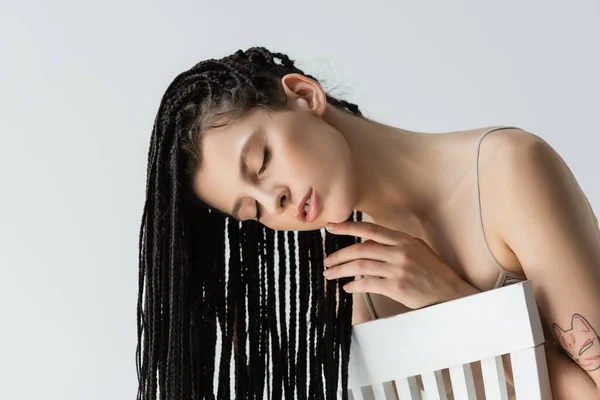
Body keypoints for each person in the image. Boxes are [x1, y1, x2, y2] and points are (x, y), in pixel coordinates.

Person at [137, 46, 600, 399]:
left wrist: (451, 303)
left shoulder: (509, 171)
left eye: (261, 161)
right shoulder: (344, 285)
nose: (273, 200)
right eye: (253, 212)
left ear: (303, 94)